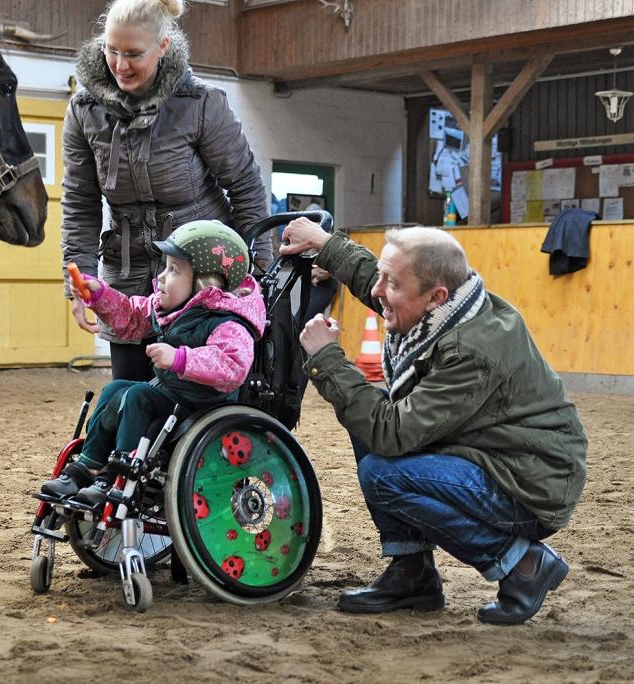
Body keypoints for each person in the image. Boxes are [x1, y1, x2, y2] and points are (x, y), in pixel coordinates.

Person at [279, 219, 587, 626]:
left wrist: (327, 359)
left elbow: (390, 433)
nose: (377, 292)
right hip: (499, 454)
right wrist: (324, 244)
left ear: (435, 296)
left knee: (382, 469)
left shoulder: (470, 350)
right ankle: (413, 575)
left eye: (392, 284)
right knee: (368, 418)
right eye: (383, 278)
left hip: (531, 482)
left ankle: (522, 563)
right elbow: (377, 277)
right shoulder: (449, 306)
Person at [61, 0, 270, 382]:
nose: (121, 65)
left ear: (163, 47)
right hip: (126, 273)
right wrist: (79, 281)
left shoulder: (202, 104)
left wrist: (254, 271)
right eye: (112, 51)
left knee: (188, 393)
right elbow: (80, 202)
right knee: (128, 392)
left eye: (134, 54)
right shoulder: (83, 111)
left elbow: (246, 187)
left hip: (201, 280)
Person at [44, 220, 265, 505]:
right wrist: (98, 295)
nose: (161, 277)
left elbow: (232, 365)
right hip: (172, 394)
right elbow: (131, 317)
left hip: (202, 404)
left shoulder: (228, 321)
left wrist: (180, 358)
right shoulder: (169, 308)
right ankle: (89, 465)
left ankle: (119, 474)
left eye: (174, 270)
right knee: (116, 389)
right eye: (165, 267)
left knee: (138, 395)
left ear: (204, 282)